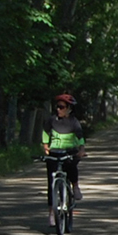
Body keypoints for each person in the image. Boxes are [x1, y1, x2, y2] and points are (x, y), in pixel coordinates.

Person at [41, 93, 87, 227]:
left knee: (72, 166)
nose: (58, 109)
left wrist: (81, 150)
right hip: (54, 151)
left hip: (70, 151)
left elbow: (80, 136)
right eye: (57, 107)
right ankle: (51, 213)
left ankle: (75, 186)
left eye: (61, 107)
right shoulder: (52, 120)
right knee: (51, 183)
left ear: (69, 108)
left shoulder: (74, 122)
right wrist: (45, 145)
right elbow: (45, 132)